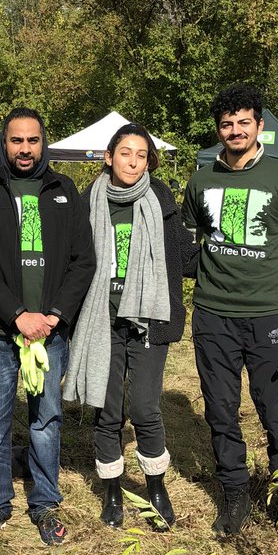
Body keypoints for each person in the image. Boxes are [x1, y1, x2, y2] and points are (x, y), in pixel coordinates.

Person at [181, 83, 278, 555]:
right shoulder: (200, 181)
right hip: (213, 316)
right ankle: (235, 494)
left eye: (244, 122)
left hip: (270, 319)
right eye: (227, 124)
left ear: (259, 125)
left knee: (277, 414)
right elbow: (189, 243)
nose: (235, 130)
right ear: (218, 130)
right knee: (220, 412)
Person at [0, 107, 95, 545]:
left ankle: (45, 504)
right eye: (16, 140)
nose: (24, 149)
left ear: (44, 143)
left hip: (51, 333)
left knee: (46, 422)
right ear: (4, 142)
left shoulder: (63, 190)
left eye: (32, 140)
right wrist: (17, 313)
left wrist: (55, 314)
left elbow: (83, 260)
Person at [66, 124, 198, 530]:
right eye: (126, 153)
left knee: (144, 407)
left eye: (141, 155)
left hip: (148, 318)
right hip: (101, 318)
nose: (133, 161)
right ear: (109, 156)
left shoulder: (160, 199)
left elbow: (184, 258)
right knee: (108, 411)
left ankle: (156, 486)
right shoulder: (88, 200)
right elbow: (72, 256)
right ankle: (112, 490)